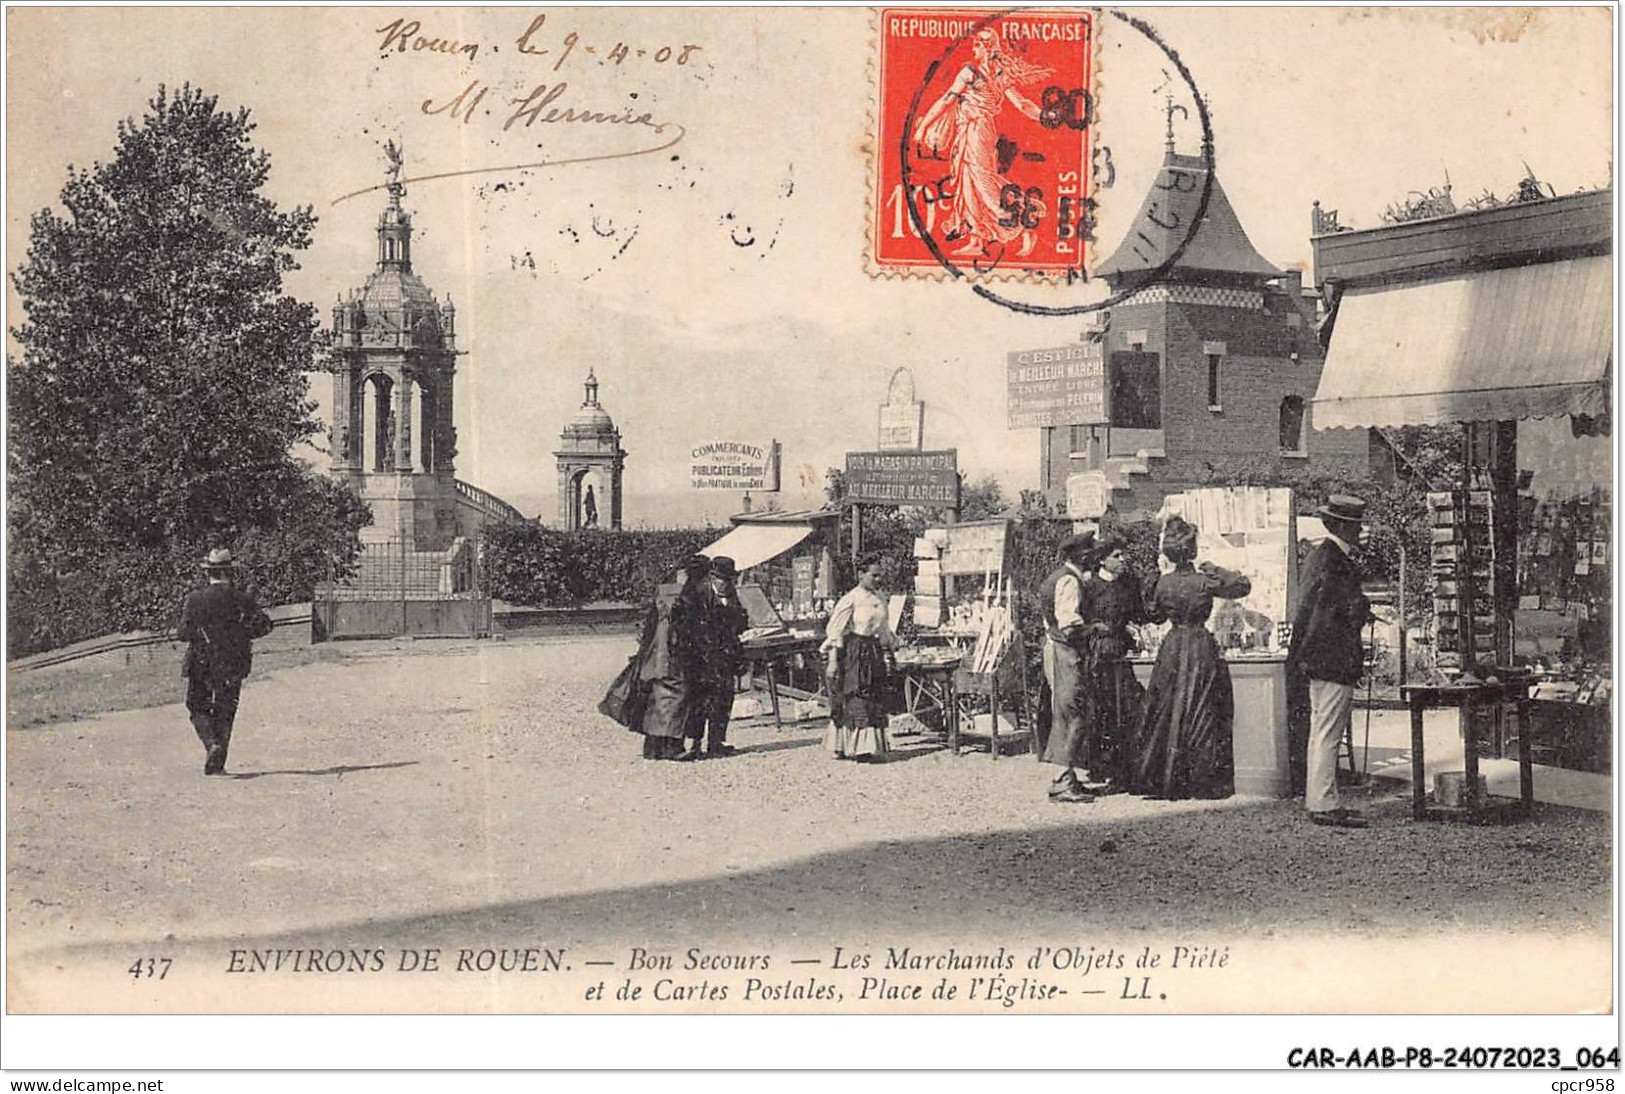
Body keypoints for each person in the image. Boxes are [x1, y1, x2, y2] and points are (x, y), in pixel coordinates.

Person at [1132, 516, 1252, 800]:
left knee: (1169, 708)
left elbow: (1154, 616)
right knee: (1202, 708)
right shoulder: (1204, 580)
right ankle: (1201, 778)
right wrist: (1216, 569)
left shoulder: (1163, 584)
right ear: (1193, 550)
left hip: (1172, 646)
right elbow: (1242, 586)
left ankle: (1167, 777)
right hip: (1199, 646)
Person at [910, 27, 1053, 259]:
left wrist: (925, 126)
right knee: (968, 182)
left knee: (982, 178)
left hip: (978, 130)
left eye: (977, 45)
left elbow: (946, 101)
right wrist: (1043, 115)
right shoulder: (998, 74)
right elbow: (1023, 104)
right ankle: (976, 239)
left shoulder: (971, 72)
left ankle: (1023, 226)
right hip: (968, 130)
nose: (973, 48)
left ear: (986, 48)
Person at [1287, 495, 1374, 828]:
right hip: (1334, 656)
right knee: (1328, 732)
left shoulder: (1320, 557)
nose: (1360, 530)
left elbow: (1311, 610)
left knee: (1320, 731)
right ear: (1341, 526)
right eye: (1355, 525)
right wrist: (1362, 609)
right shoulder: (1337, 562)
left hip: (1317, 657)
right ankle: (1324, 804)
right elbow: (1342, 611)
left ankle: (1320, 799)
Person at [177, 548, 273, 776]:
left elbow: (183, 633)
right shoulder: (242, 599)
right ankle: (218, 761)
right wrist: (240, 635)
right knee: (226, 709)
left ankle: (212, 745)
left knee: (197, 705)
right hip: (233, 662)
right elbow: (264, 626)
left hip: (201, 661)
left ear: (207, 572)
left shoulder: (195, 599)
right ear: (230, 571)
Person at [1075, 536, 1148, 793]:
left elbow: (1139, 615)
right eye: (1116, 556)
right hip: (1099, 655)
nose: (1122, 560)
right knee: (1100, 710)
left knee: (1126, 710)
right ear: (1102, 560)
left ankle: (1124, 769)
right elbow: (1080, 622)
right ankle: (1098, 767)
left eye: (1122, 555)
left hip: (1122, 652)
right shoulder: (1090, 587)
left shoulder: (1130, 585)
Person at [1035, 530, 1102, 803]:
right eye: (1091, 553)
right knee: (1072, 713)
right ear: (1083, 555)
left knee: (1066, 711)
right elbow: (1070, 626)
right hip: (1065, 651)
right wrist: (1095, 627)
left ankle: (1068, 776)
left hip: (1055, 648)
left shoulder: (1057, 577)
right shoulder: (1069, 581)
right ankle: (1062, 780)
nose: (1094, 557)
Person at [822, 554, 899, 761]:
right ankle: (847, 745)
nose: (877, 580)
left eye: (879, 576)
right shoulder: (850, 599)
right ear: (860, 574)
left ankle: (867, 746)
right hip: (853, 651)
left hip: (873, 651)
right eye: (873, 576)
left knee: (873, 695)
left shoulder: (880, 598)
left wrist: (889, 650)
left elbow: (884, 629)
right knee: (854, 695)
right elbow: (835, 632)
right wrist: (832, 662)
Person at [634, 555, 711, 761]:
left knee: (659, 697)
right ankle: (673, 747)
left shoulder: (665, 591)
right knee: (679, 697)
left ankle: (652, 747)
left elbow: (649, 623)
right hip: (678, 653)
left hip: (657, 651)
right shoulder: (691, 596)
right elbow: (691, 629)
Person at [684, 555, 749, 760]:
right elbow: (693, 627)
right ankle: (695, 744)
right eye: (722, 580)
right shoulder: (700, 595)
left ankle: (716, 742)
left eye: (729, 580)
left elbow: (740, 622)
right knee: (701, 701)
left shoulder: (731, 595)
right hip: (703, 657)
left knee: (724, 699)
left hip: (725, 657)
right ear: (713, 578)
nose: (725, 585)